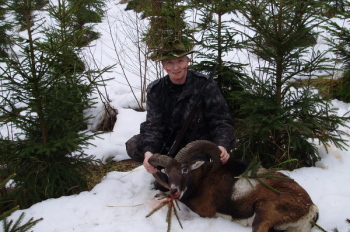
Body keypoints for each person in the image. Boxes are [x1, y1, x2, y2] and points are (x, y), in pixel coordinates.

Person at [126, 39, 234, 175]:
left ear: (187, 61)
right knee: (134, 145)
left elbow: (221, 121)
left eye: (180, 61)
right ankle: (162, 169)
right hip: (169, 144)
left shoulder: (205, 84)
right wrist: (149, 153)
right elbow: (153, 126)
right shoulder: (156, 90)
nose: (175, 68)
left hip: (197, 145)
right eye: (170, 63)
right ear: (163, 65)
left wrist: (221, 145)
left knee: (195, 170)